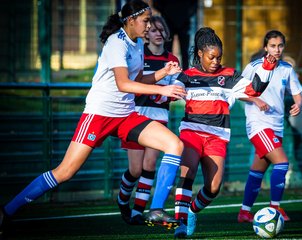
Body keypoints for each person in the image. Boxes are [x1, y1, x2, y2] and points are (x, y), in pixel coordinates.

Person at [0, 0, 187, 236]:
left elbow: (137, 82)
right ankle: (6, 211)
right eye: (146, 20)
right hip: (99, 114)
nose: (150, 25)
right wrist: (163, 89)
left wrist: (163, 74)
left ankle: (156, 209)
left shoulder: (138, 43)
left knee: (174, 144)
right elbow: (123, 84)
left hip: (125, 115)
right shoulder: (115, 44)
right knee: (65, 171)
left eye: (150, 20)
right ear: (131, 21)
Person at [172, 27, 278, 238]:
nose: (215, 61)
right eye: (211, 57)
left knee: (213, 188)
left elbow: (255, 89)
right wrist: (167, 88)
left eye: (219, 57)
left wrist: (268, 65)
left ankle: (192, 211)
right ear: (200, 54)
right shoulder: (186, 76)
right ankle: (180, 224)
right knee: (188, 174)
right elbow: (167, 94)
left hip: (217, 136)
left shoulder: (229, 76)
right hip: (191, 131)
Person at [117, 15, 182, 226]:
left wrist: (170, 94)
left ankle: (138, 211)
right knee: (135, 169)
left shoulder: (172, 60)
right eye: (153, 30)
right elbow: (130, 83)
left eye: (161, 30)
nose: (157, 33)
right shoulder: (138, 54)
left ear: (167, 33)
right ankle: (122, 199)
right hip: (135, 115)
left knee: (150, 164)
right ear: (146, 34)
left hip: (158, 117)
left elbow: (174, 89)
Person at [236, 30, 302, 223]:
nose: (277, 49)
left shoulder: (286, 69)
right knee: (281, 163)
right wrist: (256, 100)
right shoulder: (253, 66)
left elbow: (298, 94)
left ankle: (244, 212)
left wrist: (298, 105)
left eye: (280, 45)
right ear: (265, 47)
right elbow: (237, 92)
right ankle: (276, 208)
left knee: (257, 170)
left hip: (277, 127)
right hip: (258, 125)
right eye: (273, 46)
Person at [152, 0, 198, 69]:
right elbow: (156, 3)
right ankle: (167, 70)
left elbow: (194, 5)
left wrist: (186, 14)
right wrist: (166, 13)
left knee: (185, 51)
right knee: (168, 50)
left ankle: (186, 73)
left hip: (184, 22)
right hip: (169, 21)